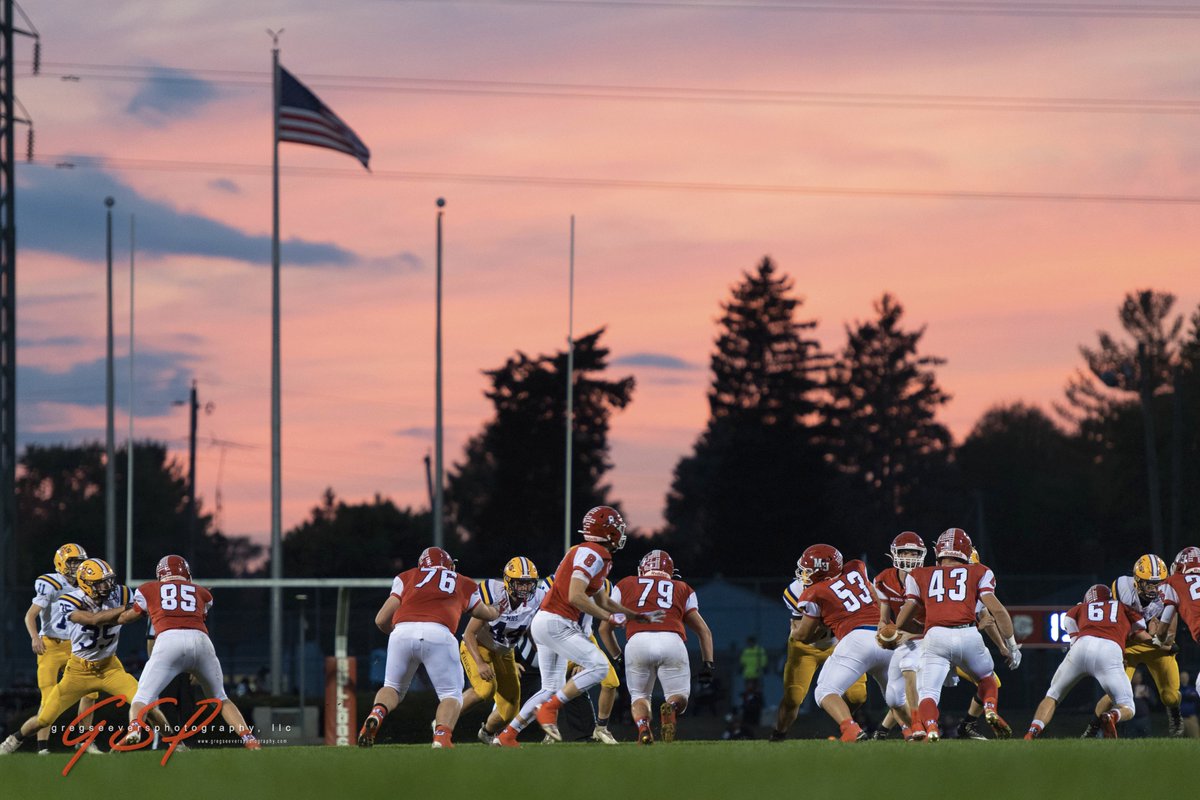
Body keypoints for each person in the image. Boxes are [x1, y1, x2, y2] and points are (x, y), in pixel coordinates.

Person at [493, 506, 659, 748]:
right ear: (608, 531)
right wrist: (609, 618)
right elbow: (576, 596)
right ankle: (549, 710)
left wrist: (632, 615)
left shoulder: (587, 552)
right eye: (617, 527)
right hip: (558, 622)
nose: (621, 531)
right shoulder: (595, 555)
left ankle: (507, 735)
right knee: (600, 667)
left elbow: (602, 599)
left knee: (550, 687)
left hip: (545, 622)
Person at [1, 558, 170, 754]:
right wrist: (129, 609)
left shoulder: (122, 592)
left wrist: (146, 609)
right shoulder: (70, 600)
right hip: (78, 671)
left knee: (145, 703)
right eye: (101, 582)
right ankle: (14, 739)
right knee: (44, 719)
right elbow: (94, 620)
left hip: (110, 668)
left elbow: (133, 615)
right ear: (86, 584)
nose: (108, 586)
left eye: (109, 580)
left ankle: (176, 742)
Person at [357, 547, 499, 749]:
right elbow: (481, 612)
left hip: (402, 631)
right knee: (451, 694)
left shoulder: (406, 577)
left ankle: (376, 714)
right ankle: (441, 737)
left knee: (392, 688)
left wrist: (402, 634)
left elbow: (380, 619)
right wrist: (495, 612)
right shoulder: (463, 581)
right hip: (439, 633)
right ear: (449, 565)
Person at [116, 555, 260, 750]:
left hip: (168, 640)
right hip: (201, 641)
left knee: (141, 698)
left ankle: (134, 729)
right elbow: (200, 613)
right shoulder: (202, 592)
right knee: (221, 698)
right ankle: (249, 740)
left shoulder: (147, 589)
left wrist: (109, 617)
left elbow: (129, 616)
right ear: (186, 573)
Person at [893, 528, 1021, 742]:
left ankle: (932, 728)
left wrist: (916, 628)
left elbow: (902, 621)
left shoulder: (918, 574)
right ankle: (990, 708)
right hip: (968, 633)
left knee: (928, 694)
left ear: (939, 551)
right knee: (987, 679)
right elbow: (997, 611)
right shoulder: (979, 571)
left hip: (935, 637)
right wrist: (1011, 645)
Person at [602, 549, 714, 744]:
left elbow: (605, 629)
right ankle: (670, 706)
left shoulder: (626, 584)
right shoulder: (681, 587)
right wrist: (708, 664)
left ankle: (644, 728)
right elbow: (704, 631)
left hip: (637, 642)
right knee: (680, 697)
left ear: (643, 569)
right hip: (672, 641)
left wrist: (618, 657)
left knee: (639, 696)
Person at [1025, 584, 1157, 739]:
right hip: (1109, 650)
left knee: (1052, 696)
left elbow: (1068, 619)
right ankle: (1112, 716)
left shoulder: (1080, 608)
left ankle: (1031, 733)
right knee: (1127, 706)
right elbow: (1140, 632)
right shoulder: (1122, 607)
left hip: (1082, 645)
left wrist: (1075, 641)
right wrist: (1157, 643)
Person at [789, 544, 892, 742]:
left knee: (825, 691)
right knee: (899, 699)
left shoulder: (815, 591)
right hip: (885, 638)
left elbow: (804, 636)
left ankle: (851, 729)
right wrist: (885, 623)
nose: (804, 574)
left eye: (808, 570)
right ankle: (916, 728)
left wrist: (795, 629)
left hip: (856, 640)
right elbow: (877, 597)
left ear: (822, 570)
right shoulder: (857, 569)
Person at [1084, 554, 1182, 737]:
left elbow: (1169, 635)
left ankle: (1174, 712)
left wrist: (1162, 637)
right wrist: (1118, 651)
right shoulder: (1122, 588)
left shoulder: (1169, 591)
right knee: (1114, 693)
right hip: (1129, 643)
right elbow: (1119, 625)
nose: (1155, 588)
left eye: (1158, 582)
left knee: (1170, 696)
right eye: (1149, 583)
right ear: (1137, 581)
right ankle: (1092, 729)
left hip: (1156, 646)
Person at [771, 557, 868, 741]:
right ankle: (778, 734)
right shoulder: (795, 590)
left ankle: (844, 724)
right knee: (793, 697)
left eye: (809, 571)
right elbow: (803, 634)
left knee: (857, 696)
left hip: (839, 644)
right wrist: (825, 622)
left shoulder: (847, 585)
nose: (804, 576)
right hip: (805, 647)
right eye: (804, 570)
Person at [21, 543, 100, 754]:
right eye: (72, 562)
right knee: (49, 697)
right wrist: (34, 637)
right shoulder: (50, 583)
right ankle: (42, 748)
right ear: (61, 562)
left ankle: (84, 741)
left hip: (76, 645)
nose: (76, 567)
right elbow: (30, 615)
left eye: (79, 563)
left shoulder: (86, 585)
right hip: (51, 645)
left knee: (90, 692)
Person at [459, 556, 545, 744]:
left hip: (505, 652)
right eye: (520, 583)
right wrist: (480, 664)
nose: (525, 588)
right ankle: (442, 723)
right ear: (508, 581)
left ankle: (487, 733)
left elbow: (531, 629)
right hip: (478, 646)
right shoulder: (494, 595)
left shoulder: (538, 599)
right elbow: (469, 634)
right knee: (485, 690)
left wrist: (543, 651)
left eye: (529, 583)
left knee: (510, 709)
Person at [873, 531, 926, 740]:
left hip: (928, 638)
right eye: (904, 552)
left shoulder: (929, 578)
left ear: (920, 555)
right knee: (893, 697)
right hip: (904, 640)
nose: (908, 558)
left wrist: (909, 635)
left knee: (911, 672)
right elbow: (884, 619)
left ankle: (920, 726)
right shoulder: (884, 579)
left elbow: (938, 622)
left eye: (913, 553)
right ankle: (891, 729)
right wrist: (883, 632)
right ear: (894, 553)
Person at [1179, 671, 1198, 738]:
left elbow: (1195, 696)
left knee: (1195, 737)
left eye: (1185, 677)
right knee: (1178, 739)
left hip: (1191, 718)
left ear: (1188, 678)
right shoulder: (1177, 689)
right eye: (1182, 677)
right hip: (1179, 719)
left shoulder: (1192, 689)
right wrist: (1187, 695)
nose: (1184, 679)